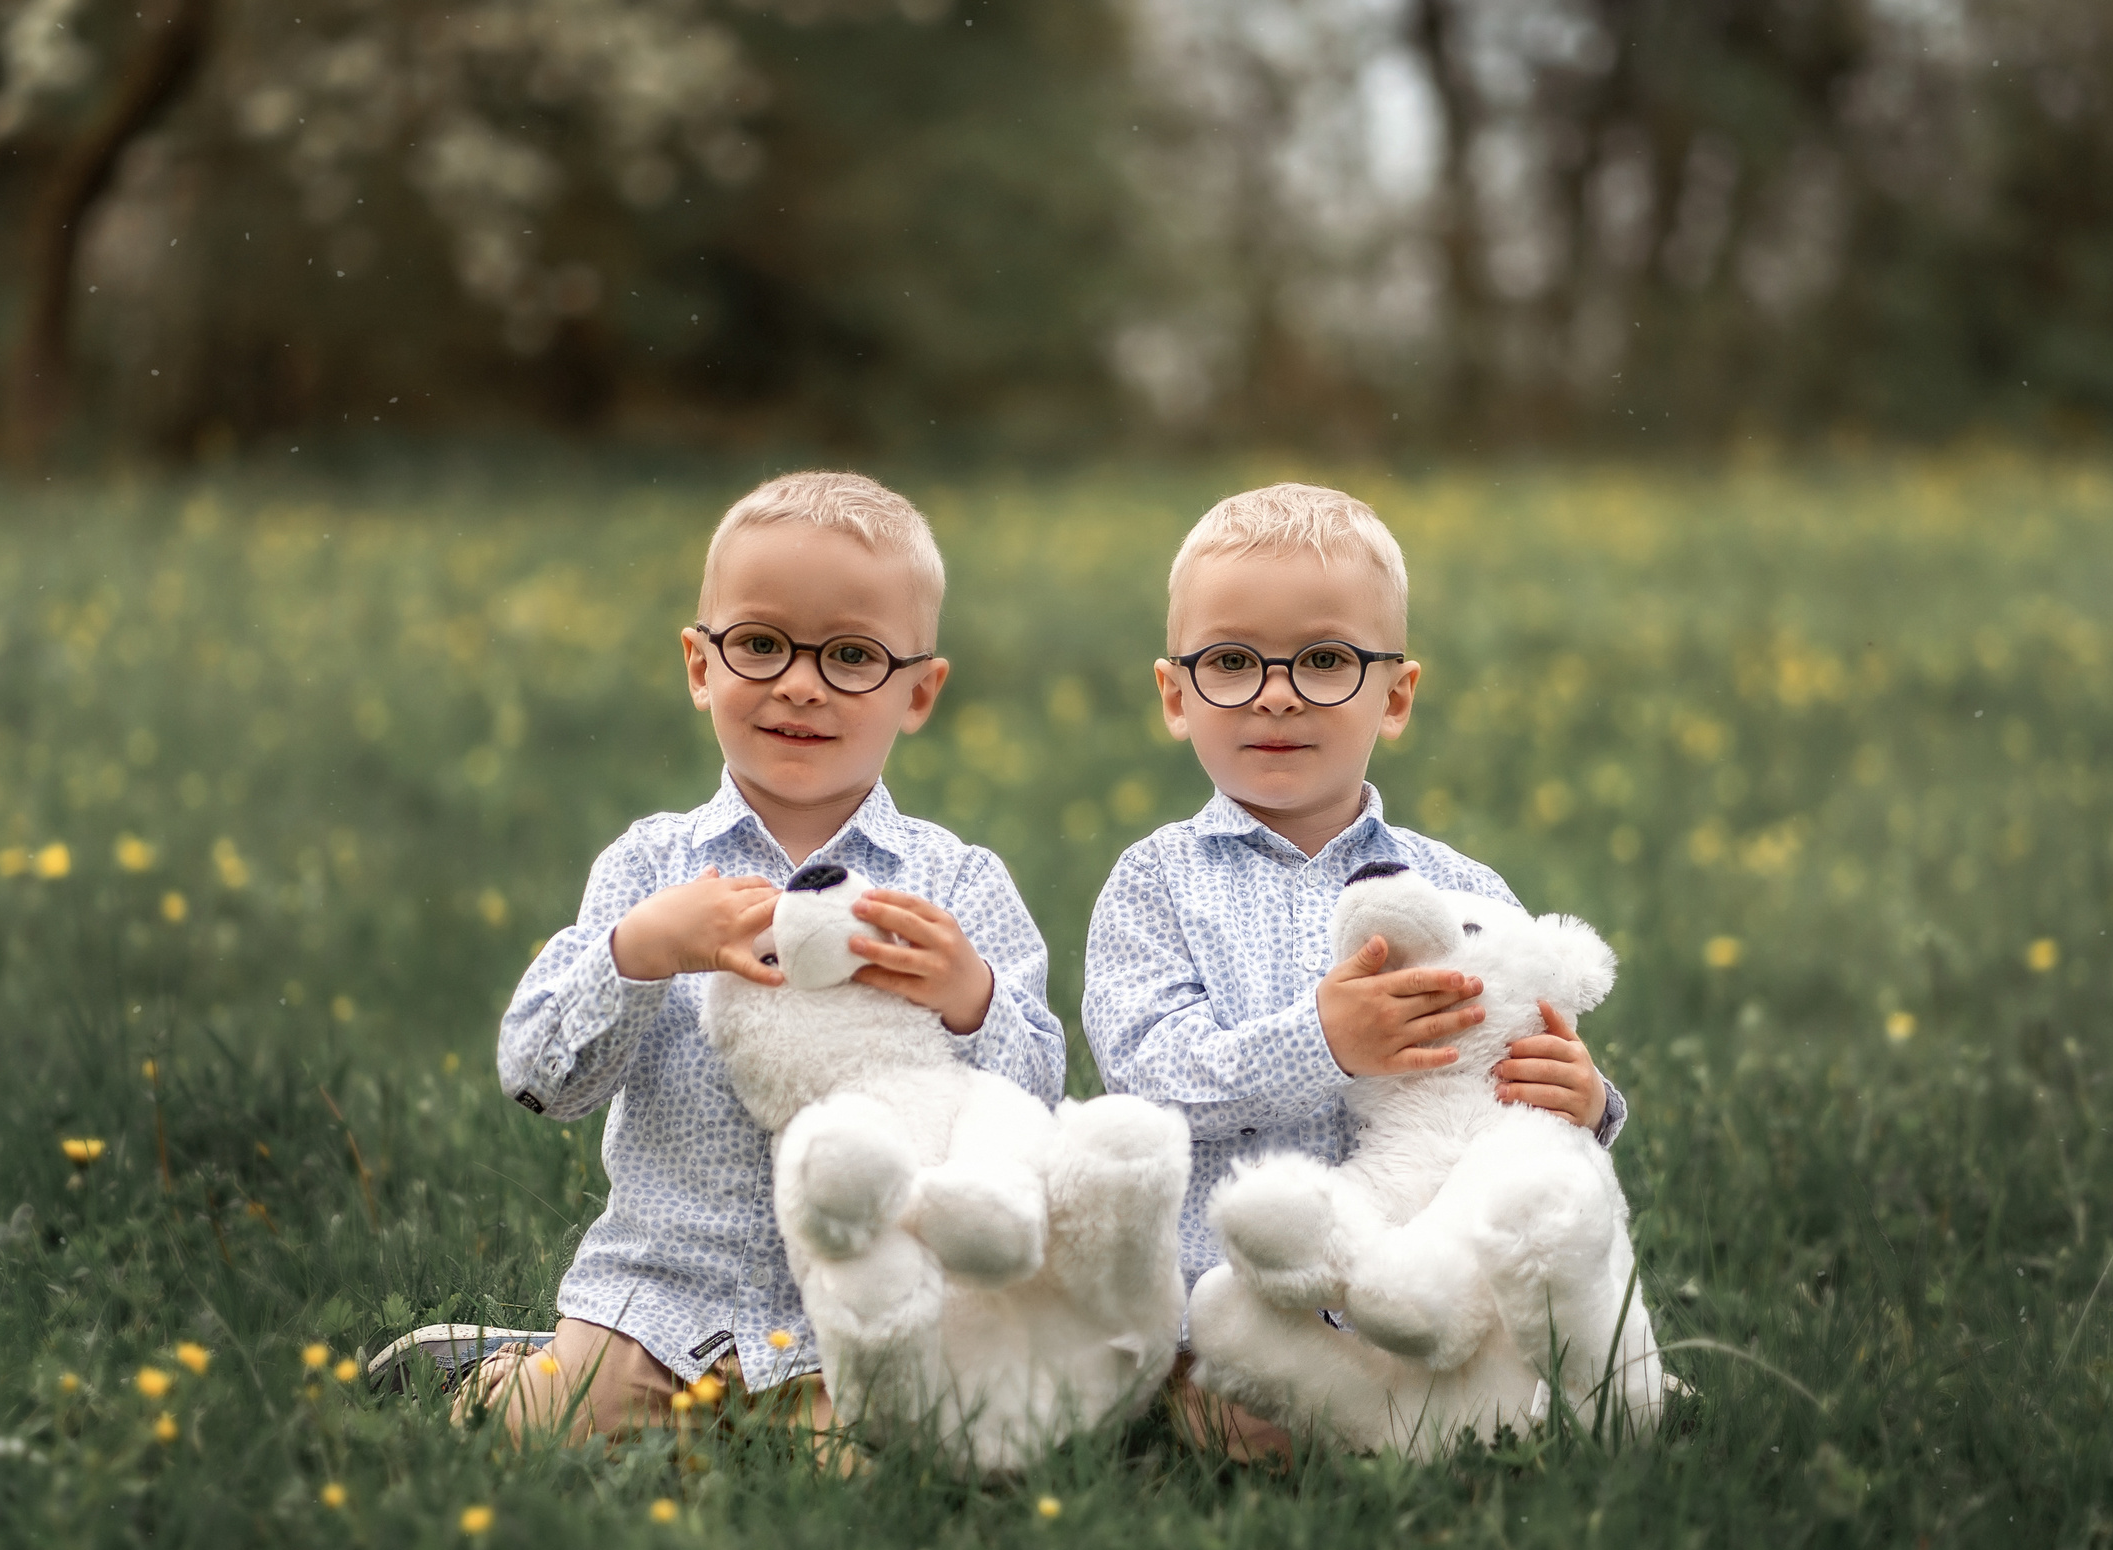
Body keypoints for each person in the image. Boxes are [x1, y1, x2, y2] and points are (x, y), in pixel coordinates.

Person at [369, 471, 1064, 1440]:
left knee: (867, 1468)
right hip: (662, 1287)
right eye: (761, 643)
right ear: (700, 665)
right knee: (557, 1425)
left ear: (919, 691)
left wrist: (968, 996)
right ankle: (506, 1377)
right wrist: (641, 951)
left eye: (853, 654)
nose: (800, 682)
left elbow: (1033, 1103)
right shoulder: (654, 868)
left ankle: (737, 1423)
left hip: (860, 1302)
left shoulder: (954, 884)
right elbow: (536, 1075)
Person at [1081, 482, 1625, 1461]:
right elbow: (1146, 1071)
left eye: (1326, 659)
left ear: (1396, 693)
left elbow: (1518, 1080)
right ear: (1175, 694)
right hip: (1238, 1295)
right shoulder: (1153, 884)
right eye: (1233, 662)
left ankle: (1479, 1408)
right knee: (1246, 1411)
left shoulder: (1460, 888)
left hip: (1434, 1280)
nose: (1277, 692)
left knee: (1510, 1351)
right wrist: (1319, 1043)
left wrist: (1584, 1101)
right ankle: (1390, 1434)